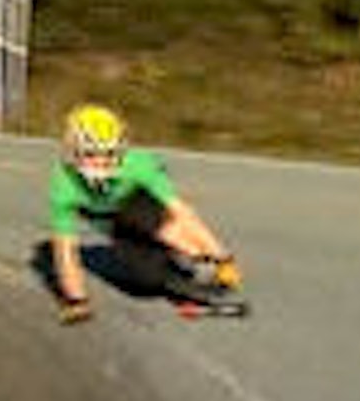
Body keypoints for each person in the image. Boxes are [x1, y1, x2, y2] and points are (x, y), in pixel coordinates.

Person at [49, 103, 239, 323]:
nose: (100, 162)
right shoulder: (63, 184)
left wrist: (221, 256)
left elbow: (182, 213)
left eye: (109, 154)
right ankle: (172, 274)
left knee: (154, 224)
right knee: (145, 281)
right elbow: (65, 248)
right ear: (72, 152)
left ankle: (196, 260)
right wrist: (77, 300)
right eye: (90, 154)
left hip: (140, 201)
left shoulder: (137, 165)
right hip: (112, 218)